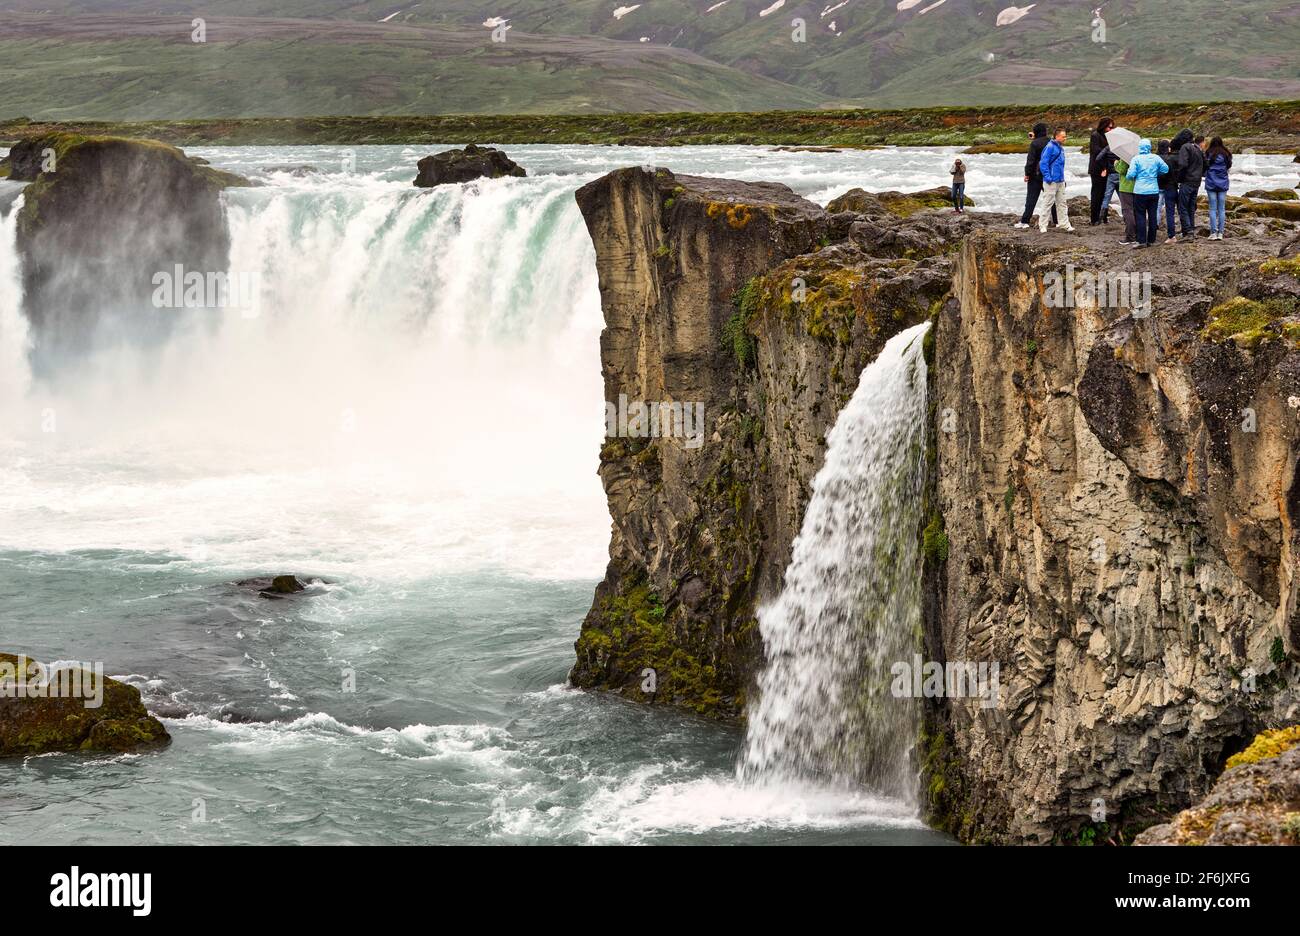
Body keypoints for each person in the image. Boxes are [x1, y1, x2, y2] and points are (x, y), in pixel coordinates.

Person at [1125, 139, 1168, 248]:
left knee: (1140, 216)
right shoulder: (1156, 158)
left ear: (1140, 148)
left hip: (1139, 191)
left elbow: (1130, 175)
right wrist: (1156, 173)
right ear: (1149, 147)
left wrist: (1133, 177)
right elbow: (1166, 169)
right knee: (1152, 215)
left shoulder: (1136, 159)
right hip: (1154, 190)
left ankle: (1141, 241)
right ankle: (1152, 240)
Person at [1017, 123, 1056, 229]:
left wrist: (1027, 174)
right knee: (1051, 198)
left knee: (1031, 199)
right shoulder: (1051, 142)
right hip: (1049, 175)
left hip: (1035, 175)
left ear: (1035, 132)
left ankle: (1025, 221)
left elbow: (1031, 161)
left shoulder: (1035, 144)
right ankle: (1057, 221)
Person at [1038, 128, 1074, 233]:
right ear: (1057, 136)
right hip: (1051, 181)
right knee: (1047, 203)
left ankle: (1064, 224)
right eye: (1063, 136)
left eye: (1065, 136)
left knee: (1062, 203)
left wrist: (1062, 179)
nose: (1065, 138)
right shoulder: (1049, 147)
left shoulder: (1061, 148)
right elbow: (1043, 163)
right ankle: (1043, 225)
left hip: (1060, 180)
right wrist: (1048, 178)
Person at [1177, 132, 1207, 239]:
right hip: (1196, 182)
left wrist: (1179, 179)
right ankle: (1190, 230)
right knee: (1191, 207)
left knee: (1182, 207)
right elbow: (1205, 164)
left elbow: (1183, 164)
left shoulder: (1185, 147)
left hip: (1187, 181)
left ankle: (1188, 231)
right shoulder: (1198, 149)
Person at [1203, 137, 1232, 240]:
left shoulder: (1208, 153)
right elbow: (1228, 166)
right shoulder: (1226, 153)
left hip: (1211, 183)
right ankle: (1220, 233)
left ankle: (1213, 233)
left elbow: (1205, 167)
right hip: (1223, 183)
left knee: (1212, 208)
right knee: (1221, 209)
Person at [1088, 117, 1115, 224]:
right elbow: (1096, 152)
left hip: (1107, 169)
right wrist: (1108, 150)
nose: (1111, 129)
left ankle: (1103, 217)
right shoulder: (1095, 135)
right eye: (1109, 127)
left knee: (1105, 194)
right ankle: (1094, 219)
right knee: (1096, 194)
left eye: (1112, 127)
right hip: (1097, 169)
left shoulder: (1109, 136)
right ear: (1103, 126)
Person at [1157, 140, 1180, 242]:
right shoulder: (1172, 158)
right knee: (1175, 211)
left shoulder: (1157, 158)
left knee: (1159, 209)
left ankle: (1157, 228)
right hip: (1173, 186)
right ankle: (1179, 233)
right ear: (1168, 148)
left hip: (1160, 186)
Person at [1115, 154, 1138, 245]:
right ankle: (1138, 234)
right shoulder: (1138, 155)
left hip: (1126, 187)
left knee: (1128, 211)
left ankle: (1130, 236)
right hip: (1137, 187)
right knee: (1136, 211)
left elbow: (1122, 170)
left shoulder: (1125, 156)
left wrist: (1116, 164)